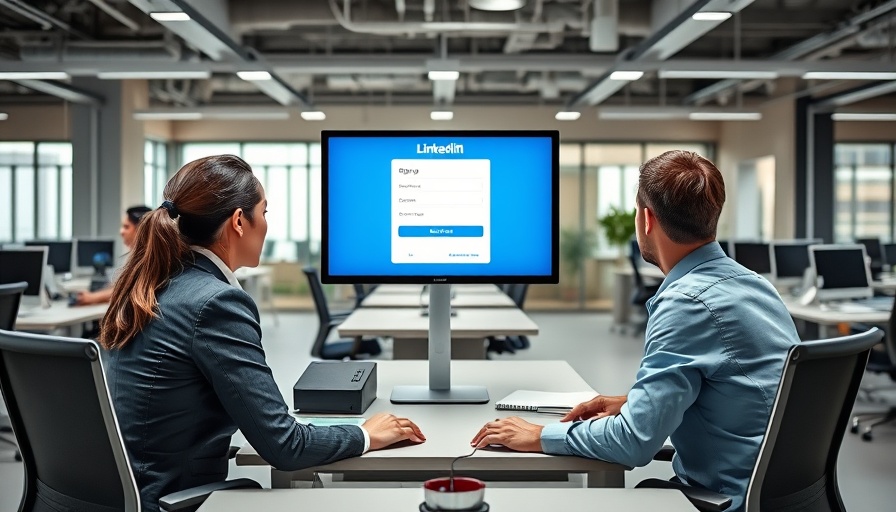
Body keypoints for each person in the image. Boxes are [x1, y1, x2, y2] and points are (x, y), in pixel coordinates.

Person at [470, 150, 800, 512]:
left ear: (646, 219)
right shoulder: (755, 285)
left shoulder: (687, 303)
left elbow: (633, 442)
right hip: (781, 495)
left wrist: (540, 434)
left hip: (728, 501)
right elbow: (739, 391)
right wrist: (634, 402)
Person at [99, 155, 425, 512]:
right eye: (264, 212)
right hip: (170, 502)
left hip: (130, 494)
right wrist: (365, 434)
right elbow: (285, 446)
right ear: (239, 221)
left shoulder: (157, 286)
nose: (267, 224)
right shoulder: (215, 302)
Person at [75, 205, 152, 305]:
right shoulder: (136, 256)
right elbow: (121, 286)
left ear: (140, 230)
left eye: (126, 227)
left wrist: (92, 297)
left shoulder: (148, 258)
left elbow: (126, 290)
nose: (121, 232)